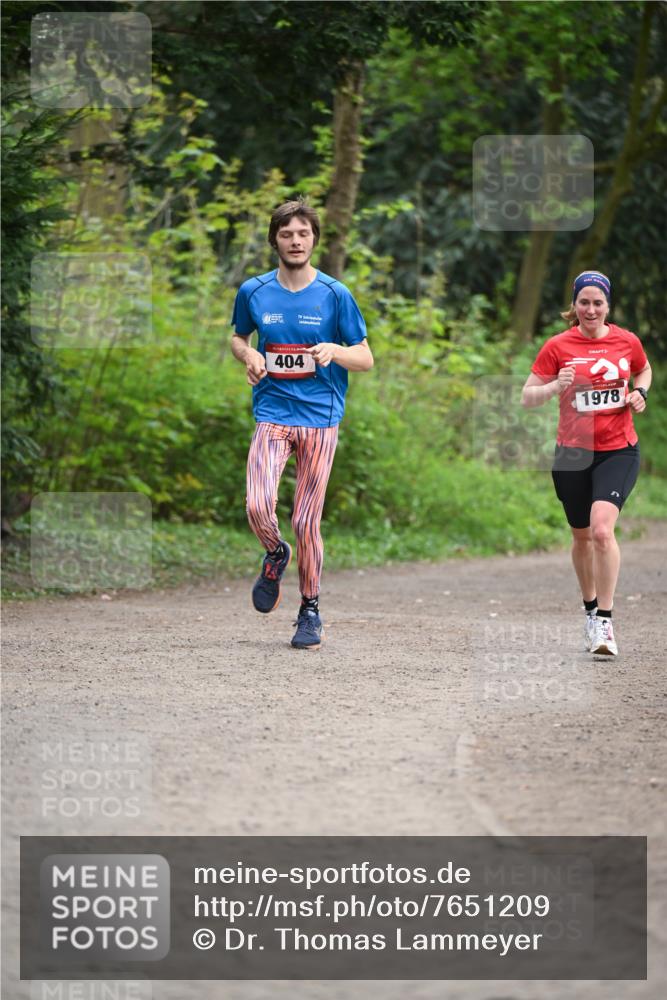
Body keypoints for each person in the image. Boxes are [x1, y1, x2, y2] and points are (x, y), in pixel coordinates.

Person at [230, 199, 374, 649]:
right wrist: (250, 354)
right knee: (257, 504)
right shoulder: (254, 291)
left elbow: (366, 357)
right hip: (272, 413)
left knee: (307, 521)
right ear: (274, 239)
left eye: (304, 234)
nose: (296, 241)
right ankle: (275, 553)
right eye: (287, 234)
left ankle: (309, 608)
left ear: (314, 239)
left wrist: (336, 351)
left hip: (319, 418)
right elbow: (238, 336)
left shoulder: (335, 294)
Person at [522, 271, 651, 656]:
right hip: (572, 453)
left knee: (600, 531)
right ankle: (590, 610)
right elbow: (528, 396)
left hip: (618, 449)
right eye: (584, 302)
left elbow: (643, 368)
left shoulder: (627, 341)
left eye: (598, 303)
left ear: (607, 306)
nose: (591, 309)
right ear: (574, 306)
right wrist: (553, 387)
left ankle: (606, 623)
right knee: (580, 536)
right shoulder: (558, 346)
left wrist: (640, 391)